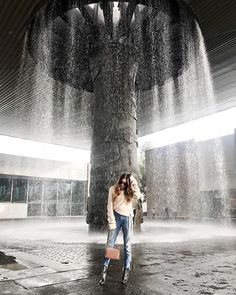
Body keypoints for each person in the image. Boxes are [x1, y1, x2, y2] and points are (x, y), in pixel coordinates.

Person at [99, 173, 142, 285]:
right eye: (121, 182)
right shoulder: (113, 189)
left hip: (127, 218)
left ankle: (126, 271)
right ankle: (104, 270)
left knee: (127, 246)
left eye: (125, 183)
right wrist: (111, 222)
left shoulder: (130, 191)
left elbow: (139, 195)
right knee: (111, 245)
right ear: (119, 181)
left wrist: (132, 181)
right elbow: (109, 206)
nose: (122, 184)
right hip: (116, 217)